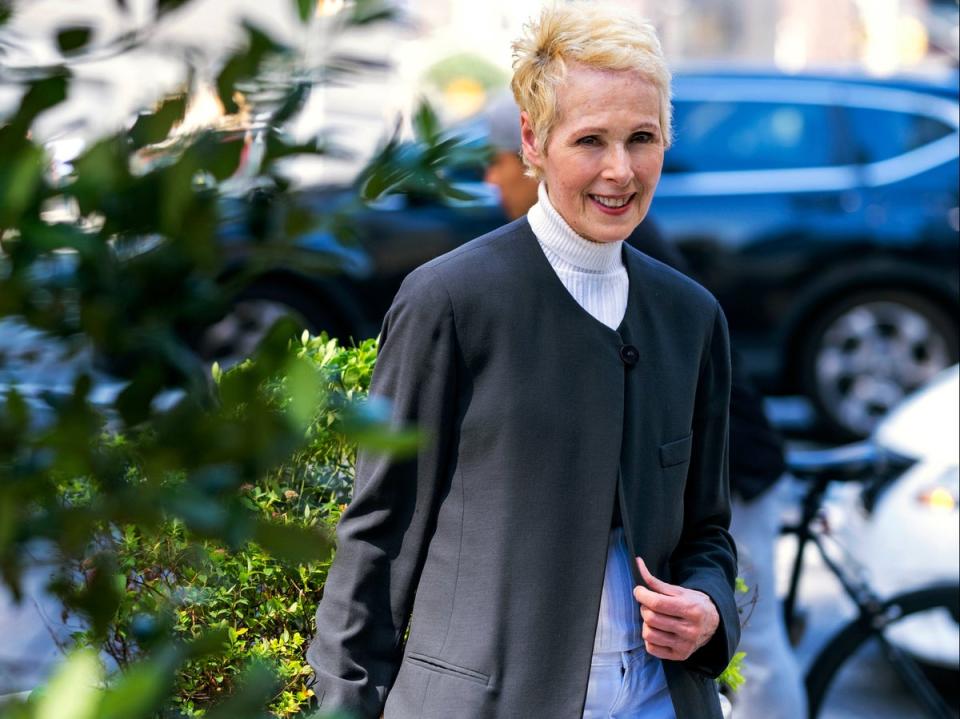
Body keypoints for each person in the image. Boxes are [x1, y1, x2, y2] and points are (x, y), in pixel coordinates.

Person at [307, 4, 739, 717]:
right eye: (590, 140)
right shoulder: (449, 302)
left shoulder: (692, 317)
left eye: (642, 138)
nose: (620, 170)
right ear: (534, 141)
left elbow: (709, 532)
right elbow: (378, 538)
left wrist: (709, 607)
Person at [480, 88, 808, 719]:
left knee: (753, 640)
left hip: (730, 465)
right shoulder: (540, 252)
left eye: (491, 164)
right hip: (679, 471)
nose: (490, 183)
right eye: (592, 141)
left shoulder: (622, 239)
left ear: (526, 154)